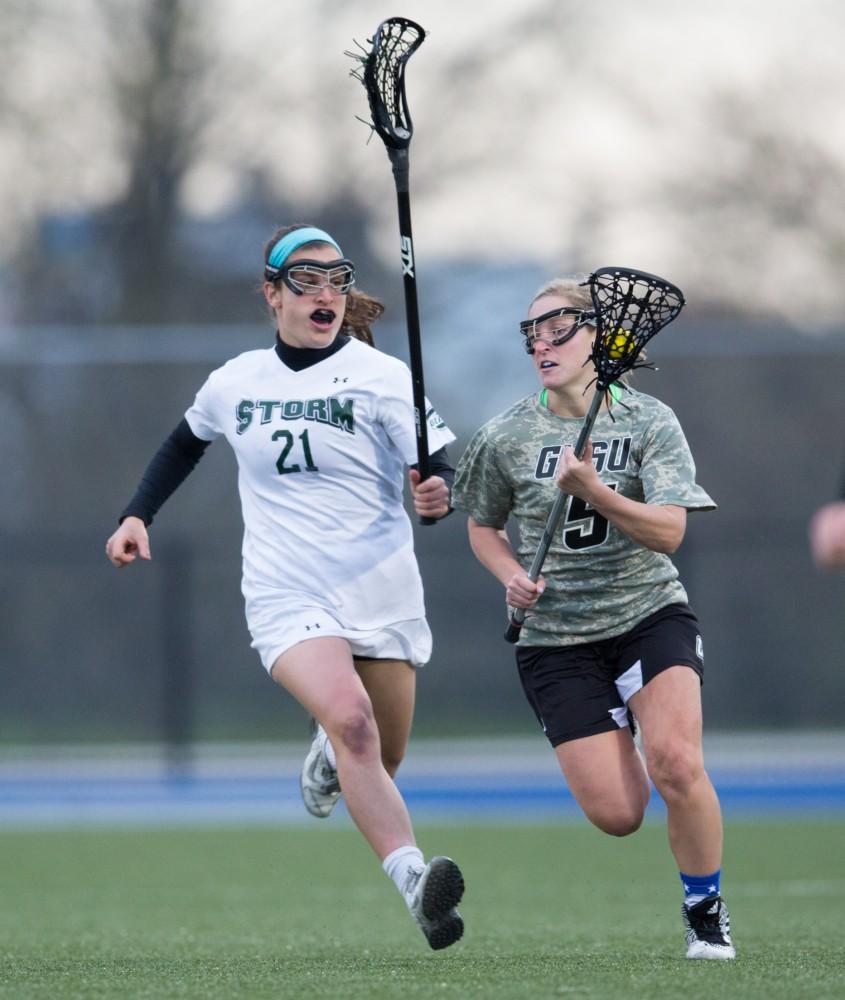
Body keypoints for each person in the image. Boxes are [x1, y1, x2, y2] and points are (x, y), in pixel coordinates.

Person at [105, 224, 465, 951]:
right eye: (305, 279)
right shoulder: (237, 381)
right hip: (285, 593)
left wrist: (437, 493)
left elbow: (438, 467)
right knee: (352, 721)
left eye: (336, 279)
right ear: (271, 294)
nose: (324, 293)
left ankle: (327, 756)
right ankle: (414, 883)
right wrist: (137, 514)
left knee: (378, 754)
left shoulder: (382, 376)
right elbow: (184, 443)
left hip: (380, 590)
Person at [451, 275, 735, 960]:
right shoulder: (504, 435)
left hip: (647, 613)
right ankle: (619, 726)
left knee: (675, 761)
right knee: (618, 814)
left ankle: (705, 913)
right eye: (531, 333)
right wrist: (510, 576)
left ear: (598, 337)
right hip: (555, 640)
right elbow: (481, 526)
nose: (541, 345)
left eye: (558, 328)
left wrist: (594, 491)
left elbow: (668, 533)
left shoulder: (648, 422)